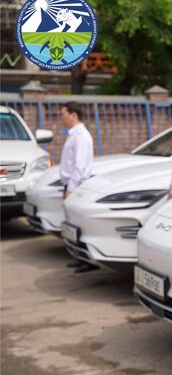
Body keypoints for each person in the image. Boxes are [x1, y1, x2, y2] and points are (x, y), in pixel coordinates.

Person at [59, 101, 96, 273]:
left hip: (77, 185)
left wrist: (71, 189)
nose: (61, 118)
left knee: (78, 224)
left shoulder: (80, 136)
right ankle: (80, 257)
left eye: (63, 114)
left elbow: (79, 166)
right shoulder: (74, 134)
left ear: (73, 115)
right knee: (73, 224)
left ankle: (86, 260)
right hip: (72, 184)